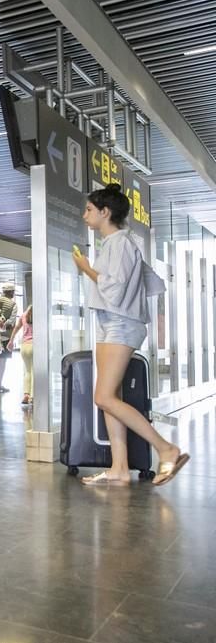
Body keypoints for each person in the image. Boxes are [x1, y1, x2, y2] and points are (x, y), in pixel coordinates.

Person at [73, 183, 188, 486]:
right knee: (112, 397)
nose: (85, 215)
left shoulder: (121, 243)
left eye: (89, 210)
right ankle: (119, 468)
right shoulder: (117, 243)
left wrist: (86, 268)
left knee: (103, 397)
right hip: (111, 322)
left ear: (104, 212)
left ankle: (167, 448)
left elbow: (115, 287)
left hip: (121, 323)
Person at [0, 283, 18, 394]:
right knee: (2, 362)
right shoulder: (13, 304)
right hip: (6, 336)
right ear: (11, 292)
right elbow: (12, 321)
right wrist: (4, 325)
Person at [7, 306, 33, 406]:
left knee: (27, 371)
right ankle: (33, 396)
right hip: (34, 345)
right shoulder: (38, 316)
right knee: (34, 371)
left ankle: (26, 394)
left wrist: (11, 341)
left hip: (24, 346)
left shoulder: (23, 316)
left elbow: (16, 328)